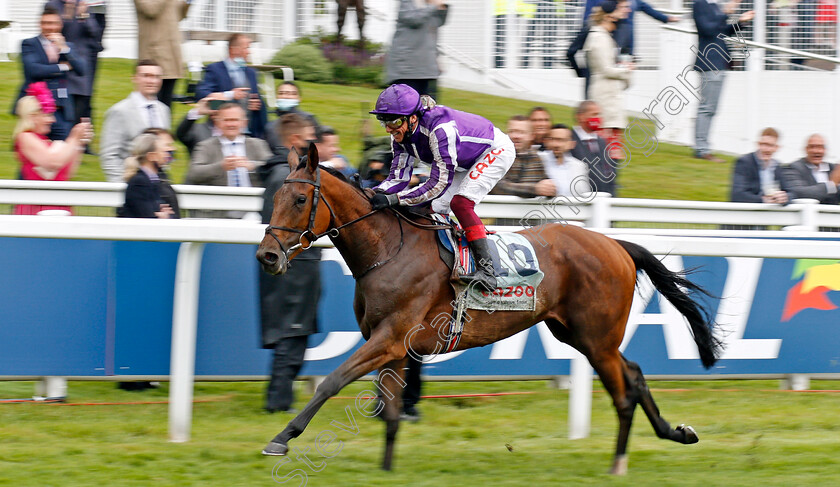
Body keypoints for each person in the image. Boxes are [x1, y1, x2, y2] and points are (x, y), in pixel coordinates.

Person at [369, 84, 516, 291]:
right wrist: (371, 193)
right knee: (434, 208)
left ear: (412, 118)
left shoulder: (440, 130)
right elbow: (398, 179)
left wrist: (395, 200)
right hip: (463, 159)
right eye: (383, 121)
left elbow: (437, 184)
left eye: (393, 122)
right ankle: (445, 262)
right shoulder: (400, 135)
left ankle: (488, 271)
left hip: (495, 149)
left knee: (461, 204)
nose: (388, 129)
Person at [259, 112, 320, 414]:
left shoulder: (288, 175)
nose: (315, 139)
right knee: (291, 338)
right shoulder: (283, 179)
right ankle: (277, 403)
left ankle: (278, 400)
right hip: (293, 270)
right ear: (296, 140)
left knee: (294, 339)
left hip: (299, 267)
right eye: (310, 135)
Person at [13, 82, 92, 215]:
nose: (52, 120)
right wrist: (73, 138)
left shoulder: (46, 142)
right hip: (35, 209)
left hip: (59, 206)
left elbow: (68, 172)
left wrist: (79, 143)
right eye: (47, 115)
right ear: (33, 117)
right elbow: (53, 163)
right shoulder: (25, 138)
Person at [693, 0, 754, 162]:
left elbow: (721, 32)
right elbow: (707, 30)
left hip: (720, 63)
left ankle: (702, 147)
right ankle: (701, 149)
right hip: (710, 63)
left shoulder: (713, 6)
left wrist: (740, 22)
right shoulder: (699, 4)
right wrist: (726, 13)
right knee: (706, 109)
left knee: (710, 109)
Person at [185, 103, 271, 217]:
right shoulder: (205, 146)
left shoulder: (257, 144)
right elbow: (194, 173)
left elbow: (273, 168)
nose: (231, 124)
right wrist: (221, 167)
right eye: (226, 120)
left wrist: (253, 166)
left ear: (244, 122)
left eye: (235, 120)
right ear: (217, 123)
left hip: (254, 208)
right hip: (217, 210)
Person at [16, 5, 87, 141]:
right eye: (45, 23)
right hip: (36, 109)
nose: (48, 27)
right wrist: (63, 67)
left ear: (60, 24)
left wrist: (65, 49)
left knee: (62, 150)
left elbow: (82, 70)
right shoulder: (29, 44)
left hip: (61, 109)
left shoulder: (69, 47)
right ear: (39, 24)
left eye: (52, 23)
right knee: (34, 150)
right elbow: (34, 70)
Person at [100, 59, 171, 183]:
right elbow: (109, 155)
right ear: (135, 78)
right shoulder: (120, 111)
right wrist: (121, 186)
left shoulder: (163, 110)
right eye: (146, 76)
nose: (152, 81)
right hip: (131, 185)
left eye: (156, 77)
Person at [584, 0, 633, 163]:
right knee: (606, 144)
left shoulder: (603, 36)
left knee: (613, 144)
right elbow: (606, 69)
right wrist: (626, 70)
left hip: (609, 94)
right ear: (607, 18)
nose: (617, 25)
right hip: (605, 95)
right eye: (614, 20)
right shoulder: (599, 38)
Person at [194, 33, 267, 139]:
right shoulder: (215, 69)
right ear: (234, 50)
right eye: (246, 48)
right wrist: (230, 95)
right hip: (221, 133)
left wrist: (257, 104)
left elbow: (258, 101)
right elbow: (202, 95)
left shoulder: (252, 73)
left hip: (248, 133)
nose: (249, 52)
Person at [46, 0, 106, 126]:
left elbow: (96, 33)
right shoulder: (53, 4)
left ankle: (82, 142)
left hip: (82, 67)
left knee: (81, 111)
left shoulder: (89, 4)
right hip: (60, 64)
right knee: (59, 115)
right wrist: (66, 17)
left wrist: (84, 16)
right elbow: (49, 31)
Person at [385, 0, 449, 100]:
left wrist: (443, 7)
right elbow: (414, 19)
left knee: (430, 111)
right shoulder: (407, 3)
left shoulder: (429, 5)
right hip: (407, 70)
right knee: (407, 109)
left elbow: (440, 21)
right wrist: (433, 6)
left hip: (428, 69)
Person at [134, 0, 191, 108]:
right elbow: (151, 10)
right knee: (153, 103)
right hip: (153, 54)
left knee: (166, 105)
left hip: (172, 52)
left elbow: (179, 15)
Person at [118, 130, 180, 219]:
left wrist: (164, 215)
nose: (166, 154)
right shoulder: (139, 182)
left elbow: (171, 213)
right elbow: (147, 216)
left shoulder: (153, 180)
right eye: (162, 151)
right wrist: (161, 215)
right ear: (151, 156)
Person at [490, 115, 555, 198]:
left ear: (532, 136)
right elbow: (496, 186)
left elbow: (545, 186)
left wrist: (550, 189)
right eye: (512, 131)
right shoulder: (497, 156)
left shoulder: (536, 159)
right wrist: (534, 189)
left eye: (521, 132)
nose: (516, 136)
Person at [583, 0, 679, 56]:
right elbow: (589, 19)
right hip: (602, 45)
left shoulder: (631, 3)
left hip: (624, 48)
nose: (626, 10)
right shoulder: (606, 5)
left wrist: (666, 18)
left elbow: (645, 7)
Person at [730, 127, 788, 204]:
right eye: (763, 144)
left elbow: (791, 192)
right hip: (748, 211)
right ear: (758, 144)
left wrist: (784, 197)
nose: (766, 149)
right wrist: (763, 200)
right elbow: (737, 194)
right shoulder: (745, 162)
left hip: (771, 212)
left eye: (770, 145)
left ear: (777, 148)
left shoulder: (778, 167)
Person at [570, 100, 615, 195]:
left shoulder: (602, 142)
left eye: (599, 115)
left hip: (603, 198)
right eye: (594, 114)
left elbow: (609, 172)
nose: (598, 118)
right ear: (581, 117)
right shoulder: (570, 139)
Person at [779, 134, 840, 204]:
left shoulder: (833, 169)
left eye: (820, 147)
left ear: (825, 150)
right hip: (807, 213)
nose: (816, 151)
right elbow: (798, 192)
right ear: (806, 149)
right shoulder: (793, 168)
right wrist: (832, 184)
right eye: (812, 147)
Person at [265, 81, 320, 156]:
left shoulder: (309, 119)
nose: (285, 96)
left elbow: (318, 145)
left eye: (290, 93)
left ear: (299, 98)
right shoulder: (270, 126)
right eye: (281, 93)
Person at [540, 123, 589, 197]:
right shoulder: (538, 160)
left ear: (572, 144)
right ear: (546, 142)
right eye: (552, 139)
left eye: (561, 140)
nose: (556, 144)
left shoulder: (579, 167)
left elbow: (585, 195)